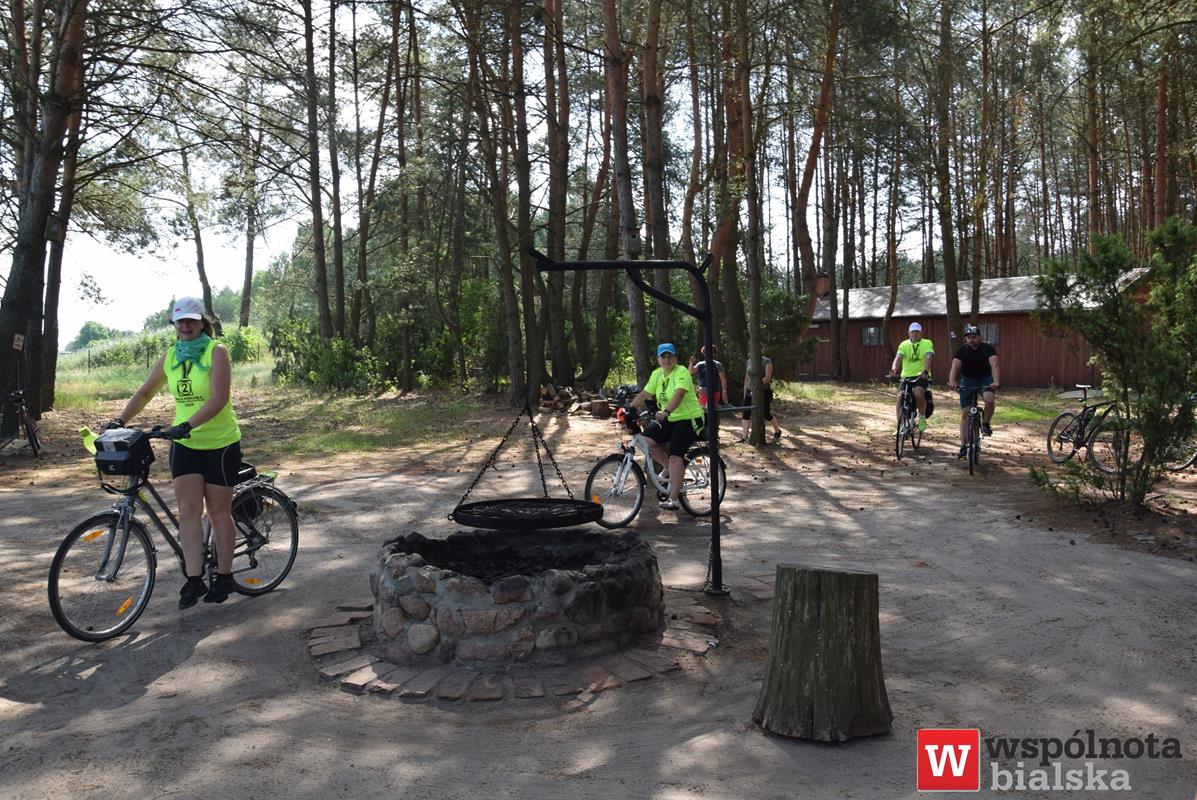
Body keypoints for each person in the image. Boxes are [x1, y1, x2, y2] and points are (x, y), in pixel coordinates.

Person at [104, 297, 243, 609]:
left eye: (191, 320)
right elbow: (145, 391)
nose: (185, 325)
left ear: (201, 323)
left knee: (219, 512)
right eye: (180, 320)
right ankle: (194, 580)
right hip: (186, 446)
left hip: (219, 443)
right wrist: (120, 420)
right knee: (189, 511)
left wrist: (187, 424)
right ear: (174, 324)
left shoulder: (215, 351)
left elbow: (219, 398)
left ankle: (224, 575)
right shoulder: (171, 356)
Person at [630, 343, 705, 511]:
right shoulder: (657, 374)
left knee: (675, 457)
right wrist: (630, 409)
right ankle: (668, 469)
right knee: (647, 439)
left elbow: (679, 394)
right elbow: (644, 394)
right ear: (658, 359)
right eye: (663, 357)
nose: (666, 360)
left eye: (669, 356)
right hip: (670, 418)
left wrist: (666, 411)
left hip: (689, 418)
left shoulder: (682, 372)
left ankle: (674, 500)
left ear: (675, 359)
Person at [947, 324, 1000, 458]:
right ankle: (964, 446)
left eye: (974, 337)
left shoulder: (987, 348)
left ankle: (986, 422)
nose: (972, 340)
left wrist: (996, 382)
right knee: (965, 412)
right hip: (968, 380)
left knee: (989, 399)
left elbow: (995, 364)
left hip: (985, 379)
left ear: (980, 337)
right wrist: (953, 382)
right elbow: (955, 366)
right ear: (966, 339)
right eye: (969, 337)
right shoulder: (962, 350)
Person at [888, 322, 935, 432]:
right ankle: (900, 425)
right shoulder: (904, 344)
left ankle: (922, 418)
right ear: (909, 333)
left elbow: (929, 357)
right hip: (906, 376)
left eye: (917, 332)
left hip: (921, 375)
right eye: (913, 332)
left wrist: (926, 371)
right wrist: (894, 369)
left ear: (921, 333)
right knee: (900, 396)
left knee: (918, 393)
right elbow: (898, 358)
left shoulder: (927, 343)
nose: (915, 334)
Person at [741, 354, 782, 442]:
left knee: (766, 413)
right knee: (746, 413)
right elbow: (747, 378)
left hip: (764, 391)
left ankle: (777, 431)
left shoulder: (767, 361)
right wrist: (745, 392)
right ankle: (744, 437)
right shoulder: (749, 361)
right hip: (749, 391)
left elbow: (767, 377)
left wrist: (756, 385)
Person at [688, 344, 729, 409]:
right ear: (704, 353)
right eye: (705, 352)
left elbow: (723, 379)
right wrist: (691, 363)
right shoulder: (700, 364)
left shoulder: (718, 365)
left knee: (711, 409)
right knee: (704, 410)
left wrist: (724, 392)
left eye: (711, 352)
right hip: (702, 392)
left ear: (714, 354)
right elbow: (691, 371)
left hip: (714, 391)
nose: (708, 354)